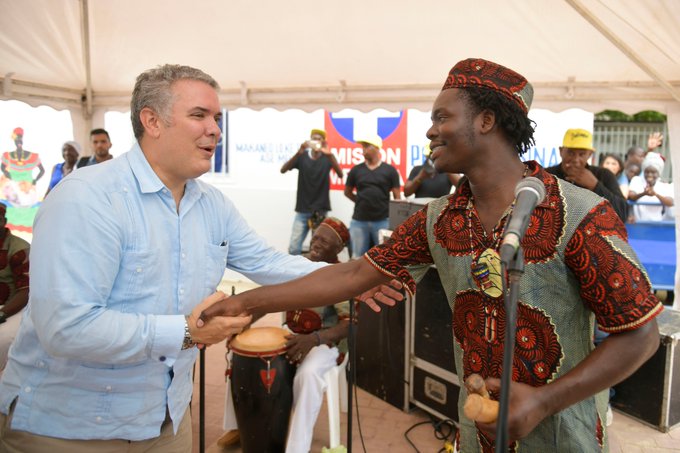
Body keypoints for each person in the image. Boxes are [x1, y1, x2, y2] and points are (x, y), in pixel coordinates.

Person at [201, 58, 662, 452]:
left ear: (486, 121)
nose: (430, 129)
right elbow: (359, 271)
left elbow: (641, 335)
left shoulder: (583, 212)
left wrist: (546, 400)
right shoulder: (439, 218)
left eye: (442, 117)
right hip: (474, 429)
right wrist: (250, 302)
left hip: (565, 434)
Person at [0, 64, 354, 451]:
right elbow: (66, 327)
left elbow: (275, 265)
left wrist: (360, 279)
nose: (215, 129)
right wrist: (186, 332)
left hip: (166, 420)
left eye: (217, 118)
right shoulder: (87, 198)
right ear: (151, 121)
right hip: (71, 430)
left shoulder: (211, 205)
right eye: (199, 115)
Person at [218, 217, 353, 452]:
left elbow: (349, 325)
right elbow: (268, 301)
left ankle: (296, 447)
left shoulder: (340, 276)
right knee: (240, 355)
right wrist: (242, 326)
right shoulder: (298, 265)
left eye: (325, 241)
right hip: (292, 333)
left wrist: (313, 340)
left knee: (308, 375)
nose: (316, 244)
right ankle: (238, 427)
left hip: (325, 341)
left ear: (339, 249)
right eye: (316, 237)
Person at [281, 129, 343, 255]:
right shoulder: (302, 156)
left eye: (319, 139)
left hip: (320, 210)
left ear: (323, 142)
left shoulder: (327, 158)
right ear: (309, 141)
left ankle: (314, 273)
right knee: (293, 247)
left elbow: (340, 174)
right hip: (302, 208)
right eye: (313, 138)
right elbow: (283, 169)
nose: (316, 141)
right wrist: (299, 152)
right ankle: (295, 273)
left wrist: (329, 154)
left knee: (318, 248)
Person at [546, 128, 628, 221]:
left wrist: (596, 185)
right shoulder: (548, 175)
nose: (576, 160)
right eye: (571, 153)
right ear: (561, 151)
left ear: (590, 154)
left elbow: (623, 213)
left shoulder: (603, 175)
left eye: (582, 154)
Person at [344, 134, 401, 257]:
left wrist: (395, 219)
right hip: (359, 221)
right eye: (362, 147)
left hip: (383, 221)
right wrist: (360, 201)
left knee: (384, 258)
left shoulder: (390, 170)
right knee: (357, 258)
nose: (363, 150)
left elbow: (397, 197)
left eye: (367, 146)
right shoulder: (356, 170)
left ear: (377, 148)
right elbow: (347, 192)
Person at [0, 203, 29, 371]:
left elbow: (26, 291)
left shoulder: (19, 249)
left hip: (11, 309)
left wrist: (3, 313)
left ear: (3, 221)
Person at [628, 152, 674, 222]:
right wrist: (644, 193)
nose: (649, 175)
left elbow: (670, 202)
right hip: (638, 223)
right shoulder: (636, 180)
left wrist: (655, 194)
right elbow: (631, 196)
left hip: (657, 224)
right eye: (647, 172)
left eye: (653, 172)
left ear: (659, 173)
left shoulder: (663, 185)